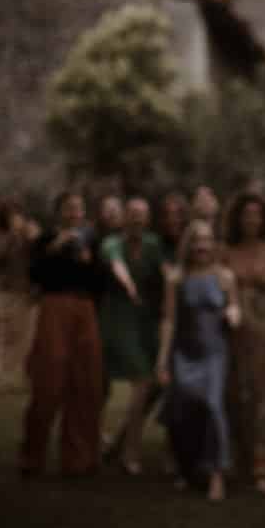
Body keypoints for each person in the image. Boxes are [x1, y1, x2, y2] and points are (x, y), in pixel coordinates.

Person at [157, 220, 240, 502]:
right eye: (196, 240)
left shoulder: (225, 276)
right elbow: (168, 320)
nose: (201, 245)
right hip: (183, 353)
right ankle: (187, 468)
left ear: (213, 244)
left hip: (214, 353)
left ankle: (217, 474)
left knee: (213, 407)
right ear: (188, 244)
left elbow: (234, 306)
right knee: (183, 410)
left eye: (206, 239)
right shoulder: (176, 278)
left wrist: (234, 314)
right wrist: (162, 360)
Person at [21, 191, 104, 477]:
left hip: (85, 308)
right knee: (49, 379)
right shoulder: (45, 240)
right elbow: (34, 275)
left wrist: (89, 260)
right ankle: (32, 456)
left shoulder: (91, 240)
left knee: (85, 382)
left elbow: (99, 282)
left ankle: (78, 459)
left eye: (78, 209)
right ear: (59, 212)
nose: (74, 214)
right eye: (68, 208)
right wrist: (55, 247)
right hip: (54, 306)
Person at [220, 192, 265, 493]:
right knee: (235, 391)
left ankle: (264, 465)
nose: (252, 220)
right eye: (247, 214)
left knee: (264, 395)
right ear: (238, 218)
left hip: (263, 326)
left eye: (257, 214)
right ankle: (237, 456)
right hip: (231, 329)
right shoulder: (226, 251)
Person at [97, 197, 165, 475]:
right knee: (140, 380)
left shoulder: (153, 244)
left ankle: (118, 443)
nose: (137, 219)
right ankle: (129, 451)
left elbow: (166, 272)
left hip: (145, 323)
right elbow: (116, 264)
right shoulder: (112, 243)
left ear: (147, 219)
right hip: (118, 319)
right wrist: (128, 284)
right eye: (132, 214)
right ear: (124, 217)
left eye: (142, 215)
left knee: (149, 385)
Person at [0, 197, 40, 390]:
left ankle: (25, 377)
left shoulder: (30, 231)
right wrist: (11, 237)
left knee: (28, 335)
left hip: (29, 292)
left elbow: (41, 254)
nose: (16, 218)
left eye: (18, 213)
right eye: (11, 215)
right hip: (6, 291)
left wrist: (33, 238)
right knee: (8, 334)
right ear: (3, 217)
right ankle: (5, 377)